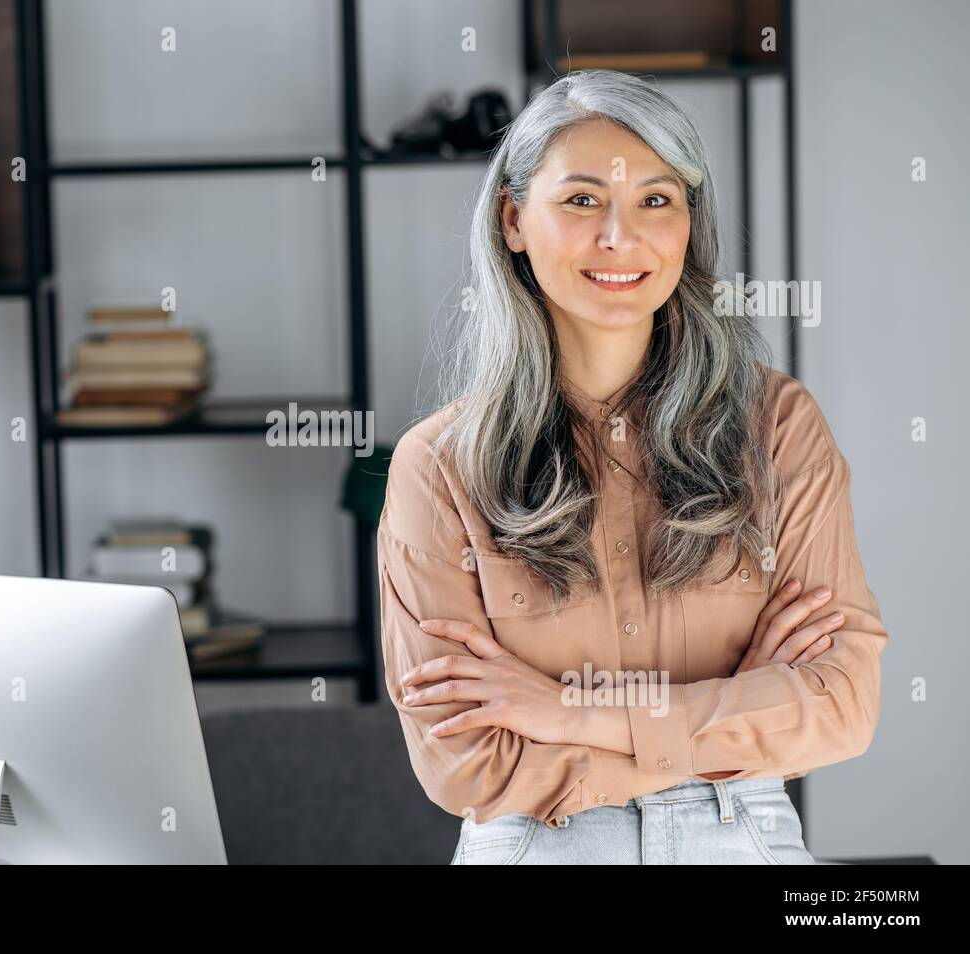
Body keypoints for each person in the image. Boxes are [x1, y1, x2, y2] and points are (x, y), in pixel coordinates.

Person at [377, 70, 887, 864]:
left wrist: (567, 713)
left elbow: (843, 707)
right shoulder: (440, 467)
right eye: (581, 201)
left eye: (657, 200)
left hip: (744, 837)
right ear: (513, 219)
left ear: (689, 223)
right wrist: (731, 709)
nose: (622, 238)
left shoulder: (778, 426)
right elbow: (466, 764)